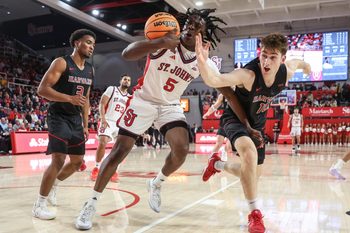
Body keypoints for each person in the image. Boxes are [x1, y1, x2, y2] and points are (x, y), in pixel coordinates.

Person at [75, 8, 226, 230]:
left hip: (169, 105)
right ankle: (91, 203)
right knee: (119, 151)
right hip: (143, 100)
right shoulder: (163, 43)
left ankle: (156, 183)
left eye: (196, 29)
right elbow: (127, 53)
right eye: (188, 26)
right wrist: (159, 43)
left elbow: (221, 85)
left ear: (203, 35)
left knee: (182, 149)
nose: (190, 30)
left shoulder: (203, 60)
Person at [195, 32, 311, 233]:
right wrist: (202, 61)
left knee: (249, 176)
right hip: (235, 120)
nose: (266, 61)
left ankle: (217, 163)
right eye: (263, 55)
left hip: (257, 125)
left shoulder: (286, 71)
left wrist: (308, 67)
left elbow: (298, 63)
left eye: (272, 57)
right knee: (249, 152)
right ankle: (255, 215)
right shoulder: (248, 75)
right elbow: (216, 79)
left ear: (282, 60)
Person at [32, 29, 96, 220]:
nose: (92, 47)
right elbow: (42, 90)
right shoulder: (61, 62)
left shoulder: (91, 69)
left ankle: (55, 184)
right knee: (58, 160)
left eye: (93, 44)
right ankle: (39, 204)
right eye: (88, 42)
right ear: (77, 43)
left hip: (76, 119)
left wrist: (85, 125)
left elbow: (85, 99)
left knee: (77, 163)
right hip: (58, 116)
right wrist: (69, 98)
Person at [90, 74, 132, 182]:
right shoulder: (112, 89)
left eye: (128, 80)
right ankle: (97, 167)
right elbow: (102, 103)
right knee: (102, 142)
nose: (126, 81)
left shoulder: (130, 97)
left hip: (119, 124)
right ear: (120, 80)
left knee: (121, 148)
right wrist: (102, 118)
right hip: (108, 120)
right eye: (125, 79)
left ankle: (114, 170)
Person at [203, 93, 232, 160]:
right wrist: (207, 113)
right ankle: (210, 160)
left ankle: (224, 151)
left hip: (234, 122)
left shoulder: (239, 92)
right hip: (224, 120)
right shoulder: (222, 95)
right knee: (218, 143)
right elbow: (214, 106)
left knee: (229, 145)